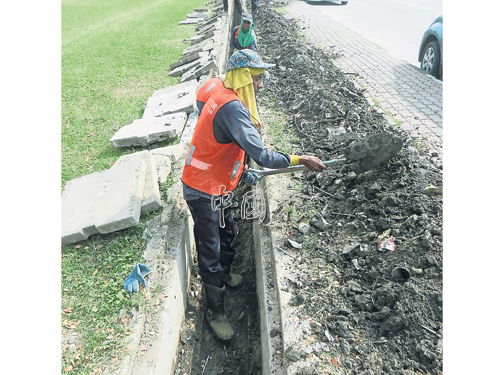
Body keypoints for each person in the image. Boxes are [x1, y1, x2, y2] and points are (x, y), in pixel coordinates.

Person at [181, 49, 326, 341]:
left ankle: (223, 275)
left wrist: (239, 167)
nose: (261, 85)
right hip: (202, 188)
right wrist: (300, 160)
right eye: (257, 79)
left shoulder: (219, 88)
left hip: (216, 183)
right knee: (209, 247)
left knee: (227, 230)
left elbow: (203, 104)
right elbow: (263, 155)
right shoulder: (232, 108)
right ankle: (215, 312)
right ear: (243, 78)